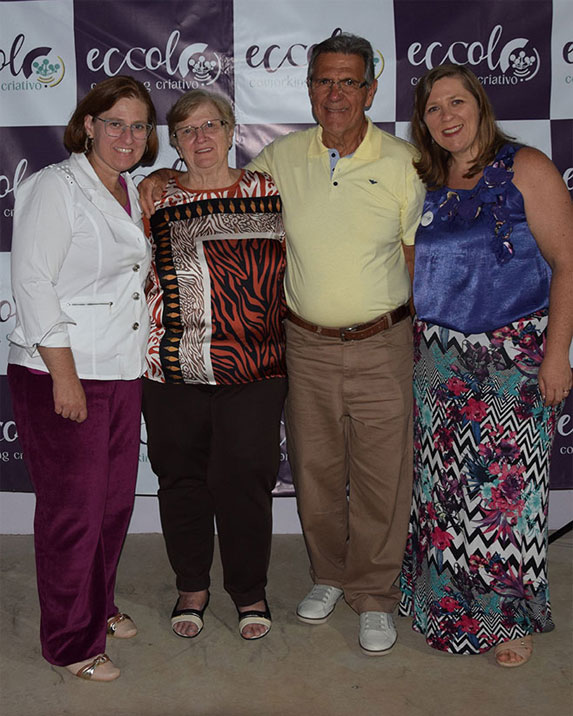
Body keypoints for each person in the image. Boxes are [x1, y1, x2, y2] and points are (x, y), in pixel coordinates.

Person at [140, 33, 425, 656]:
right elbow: (202, 183)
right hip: (302, 346)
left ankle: (373, 595)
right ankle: (329, 576)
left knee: (382, 478)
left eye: (348, 81)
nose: (335, 93)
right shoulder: (280, 162)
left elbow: (414, 258)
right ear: (309, 88)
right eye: (324, 81)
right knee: (315, 474)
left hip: (379, 342)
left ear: (371, 90)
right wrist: (159, 176)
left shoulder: (405, 162)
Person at [398, 64, 573, 667]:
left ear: (480, 105)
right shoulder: (423, 181)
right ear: (422, 122)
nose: (446, 116)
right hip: (436, 361)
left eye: (457, 102)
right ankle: (444, 608)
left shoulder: (526, 168)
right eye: (433, 108)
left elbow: (567, 263)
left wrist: (557, 355)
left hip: (512, 359)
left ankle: (509, 618)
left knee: (505, 499)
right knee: (442, 494)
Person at [7, 77, 158, 681]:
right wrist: (64, 377)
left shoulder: (131, 190)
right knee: (73, 513)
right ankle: (70, 642)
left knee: (113, 506)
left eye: (139, 125)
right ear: (89, 125)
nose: (127, 135)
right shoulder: (54, 186)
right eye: (114, 122)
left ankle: (99, 604)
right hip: (62, 370)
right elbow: (32, 282)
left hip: (121, 367)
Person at [142, 89, 287, 641]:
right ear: (175, 143)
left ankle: (249, 589)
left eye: (211, 125)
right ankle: (191, 585)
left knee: (245, 478)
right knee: (180, 478)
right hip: (173, 366)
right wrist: (156, 178)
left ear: (231, 131)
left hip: (256, 366)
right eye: (187, 130)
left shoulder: (270, 190)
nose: (200, 137)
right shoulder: (152, 197)